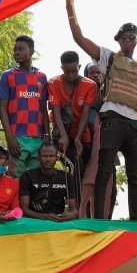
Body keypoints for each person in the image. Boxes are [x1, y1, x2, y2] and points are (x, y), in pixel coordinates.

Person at [65, 0, 137, 220]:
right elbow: (79, 38)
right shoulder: (109, 57)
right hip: (113, 122)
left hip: (135, 126)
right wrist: (70, 8)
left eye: (132, 38)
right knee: (104, 171)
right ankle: (99, 219)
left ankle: (136, 221)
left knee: (136, 176)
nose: (128, 41)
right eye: (124, 37)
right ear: (118, 40)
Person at [0, 35, 50, 178]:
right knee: (16, 178)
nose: (16, 53)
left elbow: (44, 109)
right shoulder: (8, 76)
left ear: (31, 52)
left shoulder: (42, 77)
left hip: (38, 138)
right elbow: (2, 108)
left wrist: (47, 135)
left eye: (21, 49)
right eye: (15, 50)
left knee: (36, 178)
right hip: (17, 137)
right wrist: (9, 136)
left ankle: (34, 202)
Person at [48, 51, 97, 204]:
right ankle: (74, 208)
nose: (70, 75)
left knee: (83, 174)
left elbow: (85, 114)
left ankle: (81, 209)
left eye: (74, 71)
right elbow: (55, 111)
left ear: (79, 67)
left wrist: (77, 138)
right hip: (63, 136)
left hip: (83, 138)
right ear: (62, 68)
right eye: (67, 71)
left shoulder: (90, 85)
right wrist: (64, 137)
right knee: (76, 169)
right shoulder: (53, 83)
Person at [79, 63, 118, 219]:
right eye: (91, 73)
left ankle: (102, 224)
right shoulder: (81, 94)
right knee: (84, 187)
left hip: (107, 152)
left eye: (98, 72)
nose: (95, 75)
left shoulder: (109, 94)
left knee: (107, 191)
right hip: (85, 151)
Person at [19, 142, 78, 221]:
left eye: (51, 156)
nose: (48, 159)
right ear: (38, 158)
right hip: (34, 220)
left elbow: (74, 210)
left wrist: (71, 215)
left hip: (58, 219)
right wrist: (44, 216)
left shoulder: (67, 177)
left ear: (57, 158)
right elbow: (24, 209)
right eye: (44, 156)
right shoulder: (27, 176)